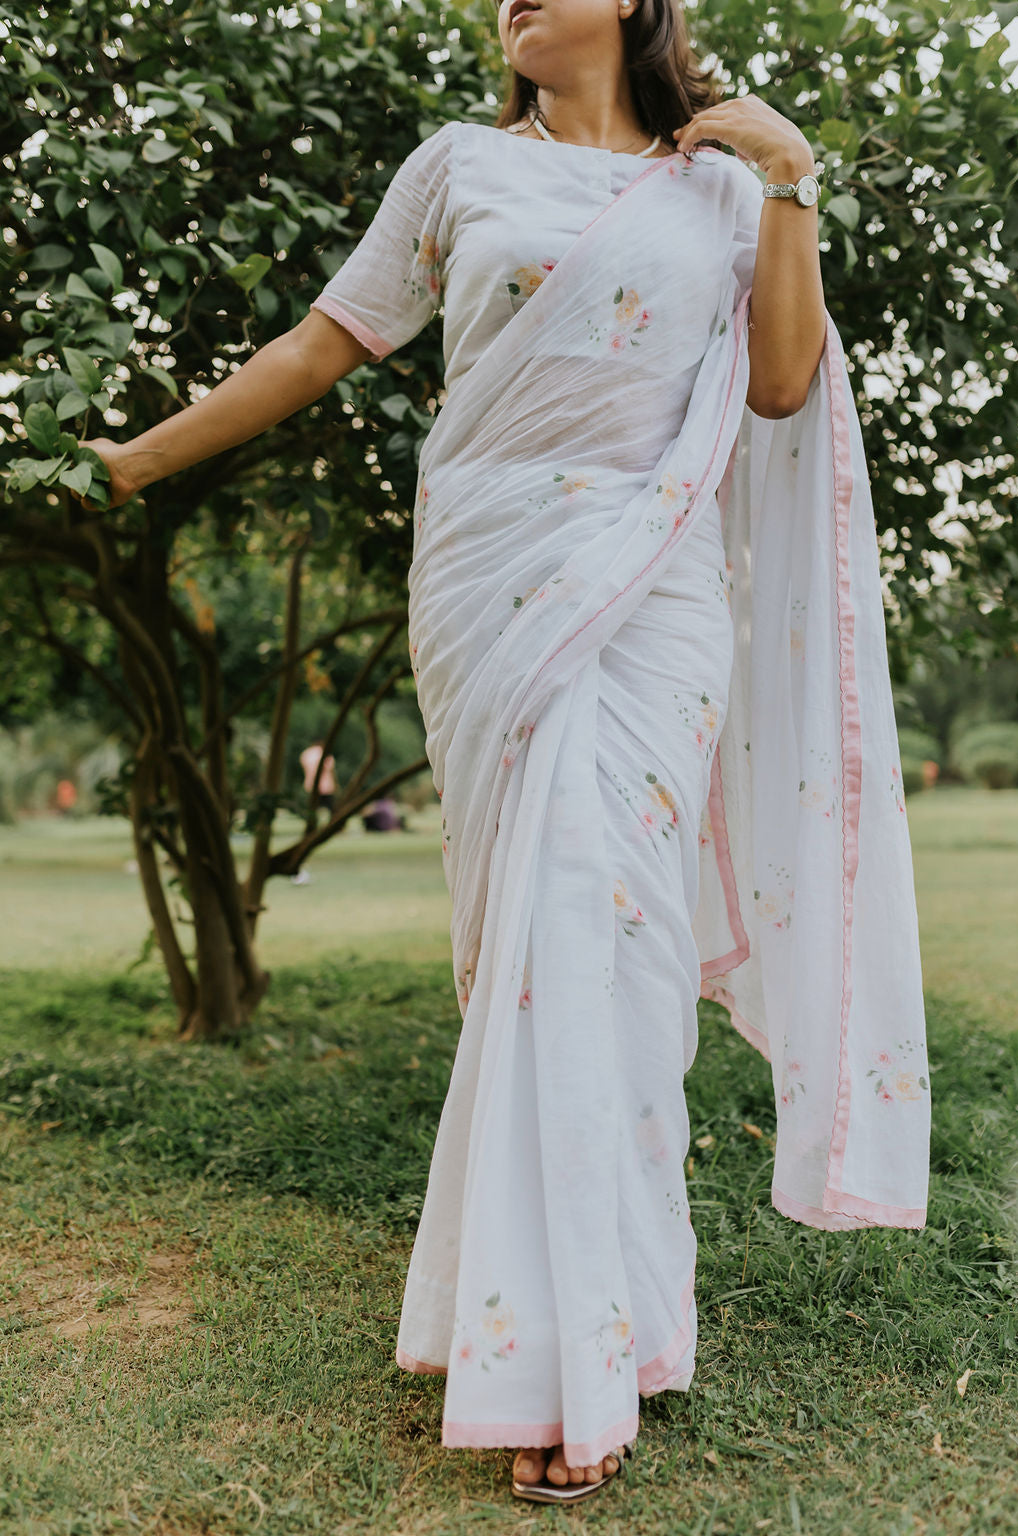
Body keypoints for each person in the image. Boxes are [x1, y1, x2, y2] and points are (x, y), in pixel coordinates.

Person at [76, 0, 932, 1506]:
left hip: (652, 594)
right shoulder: (460, 165)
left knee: (614, 943)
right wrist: (137, 459)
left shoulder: (726, 187)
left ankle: (591, 1349)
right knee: (538, 949)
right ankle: (543, 1331)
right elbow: (324, 342)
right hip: (490, 577)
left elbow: (782, 385)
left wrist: (794, 177)